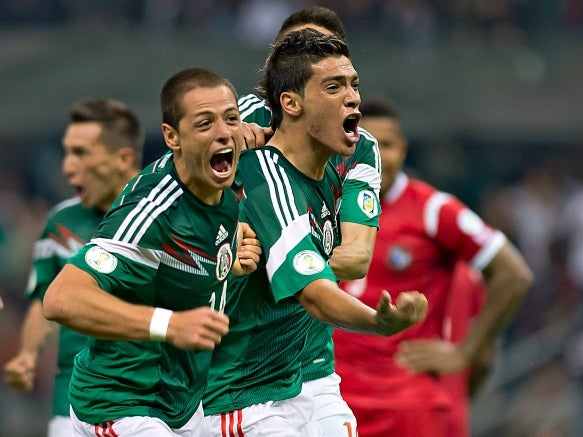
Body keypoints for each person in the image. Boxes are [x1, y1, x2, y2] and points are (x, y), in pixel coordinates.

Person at [201, 29, 427, 437]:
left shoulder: (353, 154)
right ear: (290, 102)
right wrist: (378, 321)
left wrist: (279, 259)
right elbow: (315, 293)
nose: (353, 97)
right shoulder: (261, 172)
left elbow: (356, 259)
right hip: (238, 394)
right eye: (334, 86)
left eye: (354, 84)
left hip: (306, 378)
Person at [41, 67, 261, 436]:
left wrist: (227, 258)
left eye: (231, 119)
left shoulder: (224, 177)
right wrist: (169, 325)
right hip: (121, 404)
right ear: (172, 137)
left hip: (184, 406)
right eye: (204, 124)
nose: (224, 132)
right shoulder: (153, 211)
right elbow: (61, 299)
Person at [334, 97, 534, 437]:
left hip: (405, 405)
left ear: (404, 149)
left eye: (387, 145)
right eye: (364, 142)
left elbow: (514, 274)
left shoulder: (432, 210)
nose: (376, 156)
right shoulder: (325, 205)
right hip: (332, 400)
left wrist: (465, 352)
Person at [235, 7, 382, 436]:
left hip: (311, 360)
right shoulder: (237, 123)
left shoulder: (358, 146)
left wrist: (285, 260)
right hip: (235, 370)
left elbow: (356, 257)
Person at [3, 98, 144, 437]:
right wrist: (28, 353)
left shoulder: (168, 219)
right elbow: (43, 300)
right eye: (68, 153)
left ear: (122, 159)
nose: (68, 168)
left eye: (82, 154)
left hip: (142, 403)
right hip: (70, 404)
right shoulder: (62, 222)